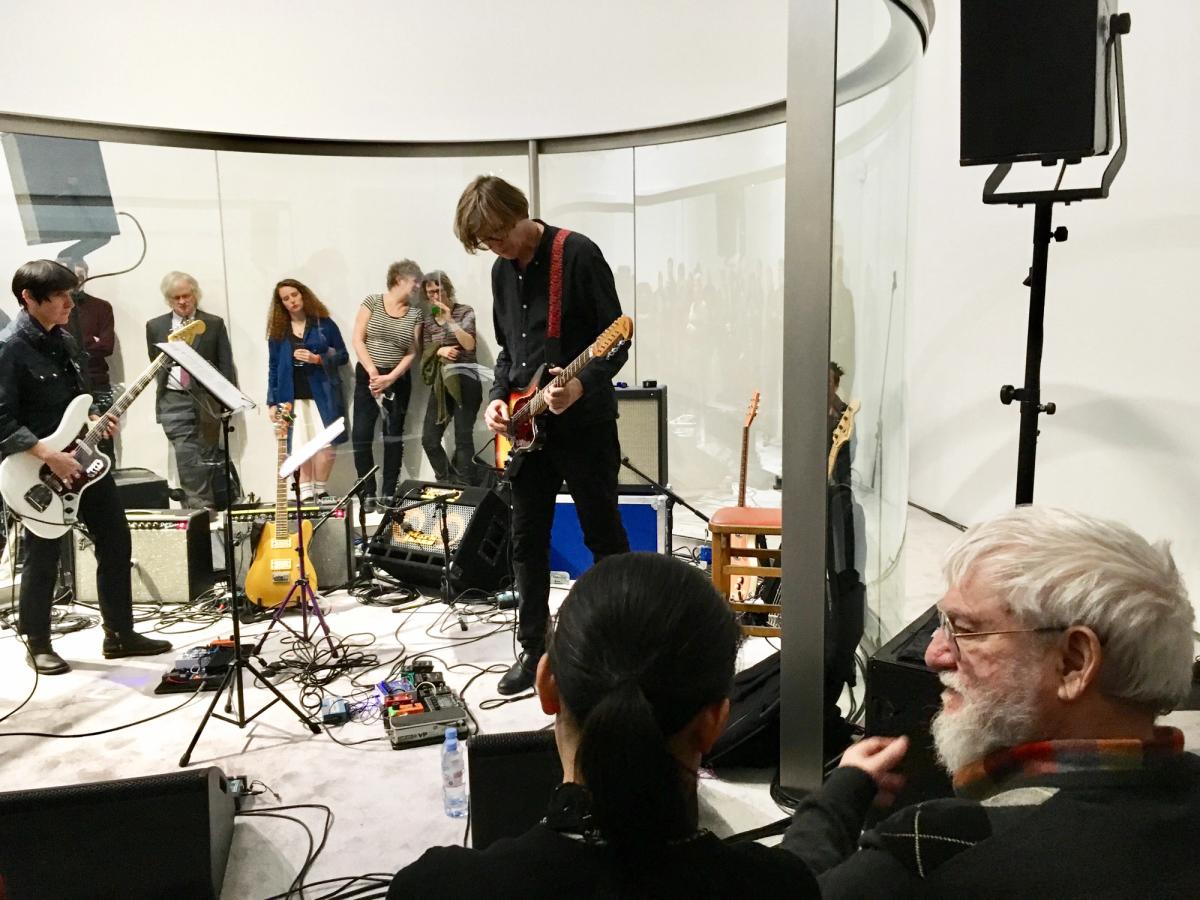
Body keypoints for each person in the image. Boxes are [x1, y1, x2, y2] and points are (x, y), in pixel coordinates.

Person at [781, 506, 1200, 897]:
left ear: (1074, 662)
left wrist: (835, 800)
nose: (934, 654)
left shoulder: (938, 848)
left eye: (965, 629)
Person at [388, 553, 819, 898]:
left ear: (546, 686)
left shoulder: (431, 887)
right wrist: (838, 800)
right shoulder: (780, 885)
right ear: (715, 722)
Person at [455, 175, 630, 696]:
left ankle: (616, 649)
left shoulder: (576, 255)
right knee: (526, 544)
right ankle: (535, 651)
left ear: (518, 213)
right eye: (485, 241)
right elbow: (509, 352)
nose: (495, 247)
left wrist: (576, 387)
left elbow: (615, 339)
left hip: (584, 426)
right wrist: (495, 399)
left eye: (498, 235)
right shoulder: (499, 274)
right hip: (527, 427)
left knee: (604, 538)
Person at [0, 260, 172, 674]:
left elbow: (84, 396)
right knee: (44, 556)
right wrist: (47, 454)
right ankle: (37, 642)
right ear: (28, 298)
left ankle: (120, 634)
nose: (69, 303)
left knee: (116, 540)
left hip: (85, 463)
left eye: (70, 294)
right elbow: (2, 419)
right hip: (35, 471)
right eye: (59, 296)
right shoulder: (9, 348)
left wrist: (96, 418)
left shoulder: (66, 340)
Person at [145, 271, 239, 510]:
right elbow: (155, 363)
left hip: (207, 399)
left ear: (195, 295)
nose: (182, 301)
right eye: (176, 297)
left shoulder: (213, 323)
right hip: (173, 399)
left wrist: (227, 400)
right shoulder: (155, 326)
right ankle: (200, 509)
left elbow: (225, 363)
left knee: (206, 453)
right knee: (186, 455)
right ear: (168, 300)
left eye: (186, 295)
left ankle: (206, 505)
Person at [266, 278, 350, 500]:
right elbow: (273, 368)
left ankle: (320, 490)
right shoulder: (278, 332)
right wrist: (272, 401)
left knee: (327, 446)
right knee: (299, 446)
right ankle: (304, 493)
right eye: (285, 298)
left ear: (303, 294)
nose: (291, 301)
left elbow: (342, 355)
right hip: (290, 396)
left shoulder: (324, 324)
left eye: (294, 295)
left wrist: (317, 359)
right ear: (281, 304)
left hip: (323, 394)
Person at [351, 260, 423, 506]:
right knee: (360, 434)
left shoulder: (416, 313)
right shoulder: (372, 301)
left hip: (398, 380)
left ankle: (388, 493)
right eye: (415, 280)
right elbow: (358, 339)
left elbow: (413, 352)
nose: (418, 286)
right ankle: (367, 492)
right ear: (399, 279)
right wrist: (373, 373)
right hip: (368, 377)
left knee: (393, 436)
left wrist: (391, 377)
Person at [418, 270, 482, 485]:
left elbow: (469, 344)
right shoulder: (427, 321)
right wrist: (440, 351)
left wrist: (450, 320)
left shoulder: (465, 311)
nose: (435, 296)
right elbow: (426, 350)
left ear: (447, 289)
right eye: (430, 293)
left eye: (438, 291)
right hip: (441, 383)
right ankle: (447, 482)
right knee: (429, 439)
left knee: (463, 438)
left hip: (466, 379)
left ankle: (468, 489)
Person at [58, 256, 117, 462]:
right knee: (67, 443)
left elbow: (106, 346)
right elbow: (58, 348)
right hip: (65, 385)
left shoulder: (101, 307)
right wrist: (90, 341)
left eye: (79, 273)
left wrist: (76, 346)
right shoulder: (57, 310)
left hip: (98, 383)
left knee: (104, 443)